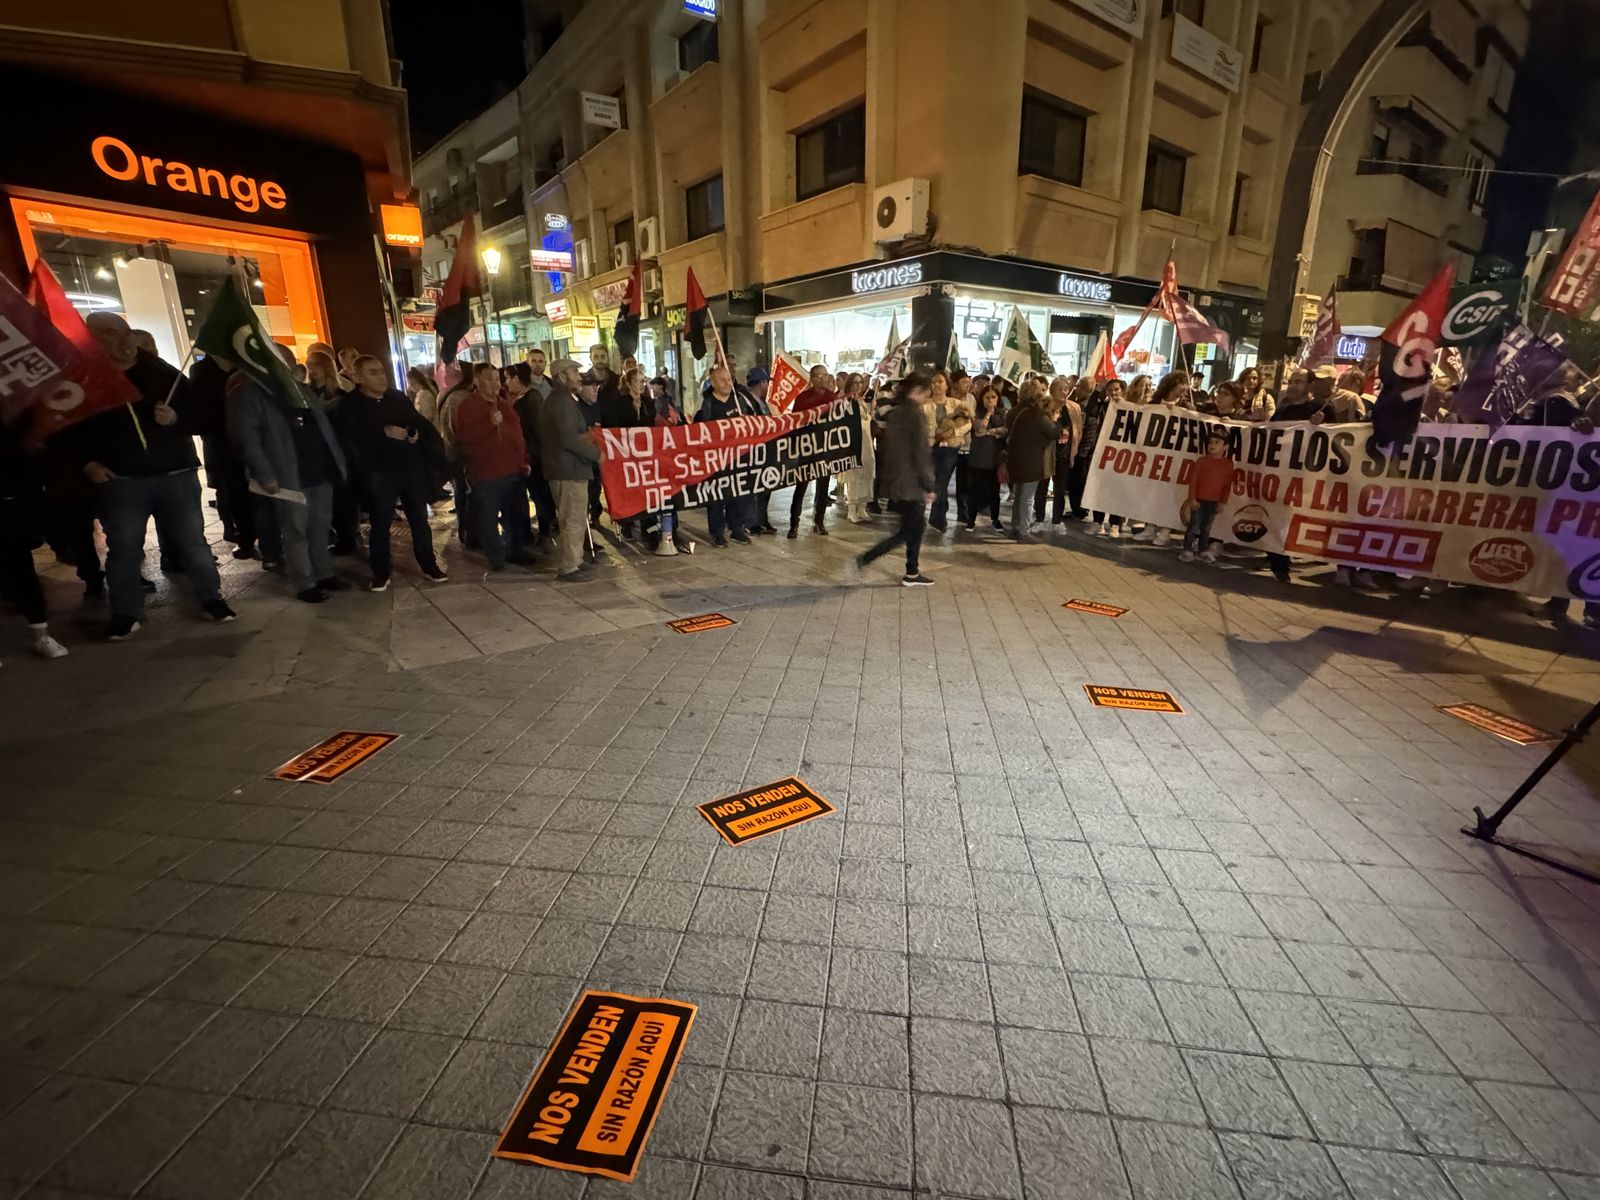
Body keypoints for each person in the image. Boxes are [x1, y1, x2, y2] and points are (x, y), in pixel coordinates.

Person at [71, 313, 236, 639]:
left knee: (193, 543)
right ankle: (125, 612)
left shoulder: (160, 373)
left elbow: (203, 416)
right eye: (110, 334)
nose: (124, 341)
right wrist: (87, 463)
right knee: (125, 549)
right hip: (122, 481)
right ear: (93, 340)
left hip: (175, 474)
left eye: (126, 333)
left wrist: (177, 418)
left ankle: (211, 598)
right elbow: (68, 429)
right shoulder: (85, 380)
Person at [227, 346, 350, 603]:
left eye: (289, 360)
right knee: (296, 530)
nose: (286, 365)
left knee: (319, 527)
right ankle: (304, 581)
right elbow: (246, 439)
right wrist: (264, 473)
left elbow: (323, 429)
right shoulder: (249, 394)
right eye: (280, 360)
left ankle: (323, 572)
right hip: (288, 475)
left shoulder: (301, 391)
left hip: (318, 470)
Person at [348, 355, 448, 591]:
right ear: (359, 377)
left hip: (408, 469)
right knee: (381, 523)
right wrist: (382, 433)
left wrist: (414, 434)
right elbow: (351, 438)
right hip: (379, 474)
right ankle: (381, 572)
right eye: (372, 372)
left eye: (382, 371)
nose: (381, 376)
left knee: (419, 520)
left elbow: (417, 422)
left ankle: (428, 564)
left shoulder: (397, 398)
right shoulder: (353, 404)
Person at [856, 372, 935, 586]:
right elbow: (919, 452)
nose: (928, 397)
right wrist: (928, 483)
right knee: (910, 530)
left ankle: (912, 571)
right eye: (927, 393)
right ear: (917, 390)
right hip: (911, 483)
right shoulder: (914, 415)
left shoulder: (895, 412)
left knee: (913, 528)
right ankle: (868, 558)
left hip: (897, 480)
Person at [0, 419, 69, 662]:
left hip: (13, 507)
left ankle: (41, 634)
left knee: (23, 572)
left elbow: (29, 463)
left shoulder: (13, 416)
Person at [454, 363, 533, 571]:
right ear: (477, 382)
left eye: (497, 379)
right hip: (488, 473)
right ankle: (496, 555)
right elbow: (464, 438)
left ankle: (515, 550)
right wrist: (488, 423)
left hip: (513, 469)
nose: (495, 384)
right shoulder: (468, 406)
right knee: (489, 517)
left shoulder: (503, 403)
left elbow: (517, 435)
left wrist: (523, 460)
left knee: (515, 515)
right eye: (488, 379)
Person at [188, 350, 256, 561]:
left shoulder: (245, 366)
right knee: (231, 490)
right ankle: (243, 536)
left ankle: (263, 535)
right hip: (221, 440)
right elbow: (200, 408)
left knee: (255, 488)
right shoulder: (201, 371)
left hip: (250, 434)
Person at [541, 358, 603, 581]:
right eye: (574, 372)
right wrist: (596, 455)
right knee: (572, 519)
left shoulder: (563, 400)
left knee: (574, 518)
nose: (579, 376)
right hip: (568, 470)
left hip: (568, 469)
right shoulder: (561, 402)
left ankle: (575, 560)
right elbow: (569, 439)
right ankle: (569, 566)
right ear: (562, 376)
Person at [307, 351, 363, 555]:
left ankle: (348, 535)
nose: (312, 369)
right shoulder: (306, 393)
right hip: (318, 454)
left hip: (340, 453)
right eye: (309, 364)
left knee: (344, 497)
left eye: (316, 364)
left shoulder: (341, 395)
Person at [697, 365, 753, 547]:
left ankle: (737, 529)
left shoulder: (740, 400)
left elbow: (755, 422)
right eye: (723, 380)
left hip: (737, 457)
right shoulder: (708, 404)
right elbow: (700, 431)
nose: (728, 383)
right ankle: (717, 533)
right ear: (713, 383)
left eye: (729, 379)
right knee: (715, 497)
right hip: (716, 460)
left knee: (738, 495)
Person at [787, 364, 837, 537]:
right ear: (812, 378)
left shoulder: (832, 397)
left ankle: (819, 522)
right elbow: (794, 422)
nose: (822, 378)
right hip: (807, 449)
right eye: (818, 375)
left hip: (825, 449)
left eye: (825, 375)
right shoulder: (802, 398)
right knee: (801, 488)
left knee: (823, 488)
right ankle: (794, 524)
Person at [1005, 379, 1057, 541]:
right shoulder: (1037, 414)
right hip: (1032, 460)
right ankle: (1023, 530)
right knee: (1027, 497)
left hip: (1016, 458)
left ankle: (1015, 526)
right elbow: (1053, 432)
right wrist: (1055, 420)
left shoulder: (1015, 411)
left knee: (1019, 494)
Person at [1035, 376, 1084, 527]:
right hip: (1047, 452)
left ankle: (1057, 520)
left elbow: (1078, 430)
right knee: (1042, 487)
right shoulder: (1044, 405)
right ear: (1052, 391)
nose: (1064, 393)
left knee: (1060, 489)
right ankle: (1040, 518)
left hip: (1065, 453)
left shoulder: (1074, 407)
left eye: (1066, 389)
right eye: (1060, 389)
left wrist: (1074, 450)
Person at [1077, 378, 1124, 532]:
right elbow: (1090, 410)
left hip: (1120, 453)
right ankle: (1098, 521)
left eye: (1116, 389)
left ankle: (1115, 524)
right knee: (1100, 487)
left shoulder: (1129, 409)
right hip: (1102, 451)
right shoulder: (1103, 406)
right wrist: (1098, 391)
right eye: (1110, 390)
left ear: (1122, 391)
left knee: (1116, 489)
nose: (1113, 393)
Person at [928, 371, 972, 532]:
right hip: (931, 447)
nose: (936, 385)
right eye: (934, 382)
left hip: (950, 448)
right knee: (937, 482)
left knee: (942, 481)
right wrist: (933, 434)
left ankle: (938, 516)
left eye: (940, 382)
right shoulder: (925, 405)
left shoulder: (955, 403)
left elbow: (968, 423)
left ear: (947, 385)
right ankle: (937, 514)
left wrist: (954, 433)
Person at [1181, 430, 1233, 564]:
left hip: (1213, 501)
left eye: (1217, 442)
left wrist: (1222, 502)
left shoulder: (1228, 464)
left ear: (1225, 447)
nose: (1212, 445)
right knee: (1193, 526)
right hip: (1199, 499)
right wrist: (1192, 498)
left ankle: (1202, 550)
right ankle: (1186, 549)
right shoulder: (1202, 461)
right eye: (1210, 442)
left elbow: (1227, 485)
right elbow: (1194, 481)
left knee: (1206, 528)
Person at [835, 374, 876, 523]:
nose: (859, 385)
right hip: (854, 444)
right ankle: (852, 509)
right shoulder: (845, 402)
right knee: (854, 476)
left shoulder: (863, 401)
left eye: (861, 383)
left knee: (867, 474)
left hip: (867, 443)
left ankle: (862, 507)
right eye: (856, 383)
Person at [744, 366, 780, 534]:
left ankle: (762, 519)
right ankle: (753, 522)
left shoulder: (762, 403)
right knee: (755, 488)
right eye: (766, 382)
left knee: (766, 486)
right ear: (761, 382)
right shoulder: (747, 403)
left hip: (767, 450)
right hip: (755, 452)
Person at [965, 385, 1005, 532]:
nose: (990, 400)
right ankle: (971, 520)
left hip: (994, 458)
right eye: (987, 397)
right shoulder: (977, 412)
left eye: (993, 397)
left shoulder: (1002, 413)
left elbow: (1005, 430)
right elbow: (979, 428)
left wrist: (991, 432)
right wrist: (988, 414)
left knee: (994, 491)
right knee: (974, 490)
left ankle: (995, 518)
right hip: (978, 458)